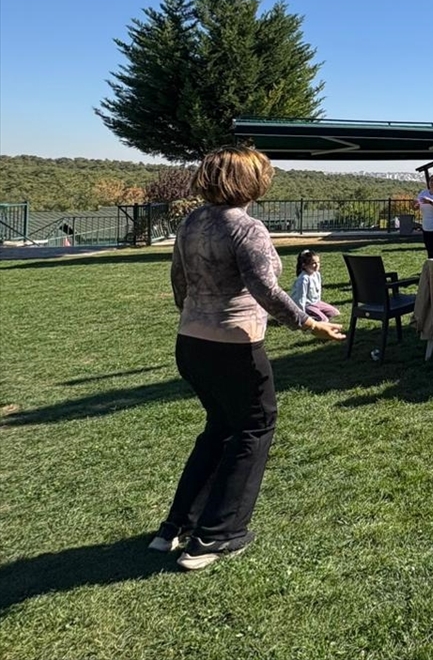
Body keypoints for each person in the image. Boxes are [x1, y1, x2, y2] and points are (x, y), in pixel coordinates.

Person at [154, 145, 344, 571]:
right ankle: (216, 536)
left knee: (220, 428)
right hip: (234, 346)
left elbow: (178, 284)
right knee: (255, 428)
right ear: (247, 182)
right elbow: (267, 290)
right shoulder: (248, 228)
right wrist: (309, 324)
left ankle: (175, 527)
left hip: (191, 342)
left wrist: (198, 317)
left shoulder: (191, 223)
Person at [290, 249, 340, 322]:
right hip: (307, 305)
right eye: (313, 263)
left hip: (316, 302)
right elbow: (300, 298)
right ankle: (304, 316)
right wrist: (302, 315)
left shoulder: (317, 274)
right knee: (324, 319)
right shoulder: (303, 279)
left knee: (335, 313)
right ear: (304, 265)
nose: (317, 265)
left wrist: (319, 303)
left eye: (318, 262)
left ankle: (317, 312)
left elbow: (318, 292)